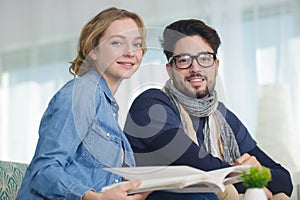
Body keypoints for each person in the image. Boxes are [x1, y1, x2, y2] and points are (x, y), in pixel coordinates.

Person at [123, 19, 293, 200]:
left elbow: (285, 182)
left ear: (216, 66)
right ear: (170, 70)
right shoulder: (151, 105)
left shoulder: (223, 117)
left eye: (204, 58)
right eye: (183, 60)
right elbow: (200, 168)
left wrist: (260, 172)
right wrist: (250, 177)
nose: (195, 68)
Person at [16, 7, 150, 200]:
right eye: (117, 42)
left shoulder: (107, 106)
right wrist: (96, 198)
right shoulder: (82, 93)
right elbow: (44, 170)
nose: (130, 52)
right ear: (93, 51)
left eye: (136, 44)